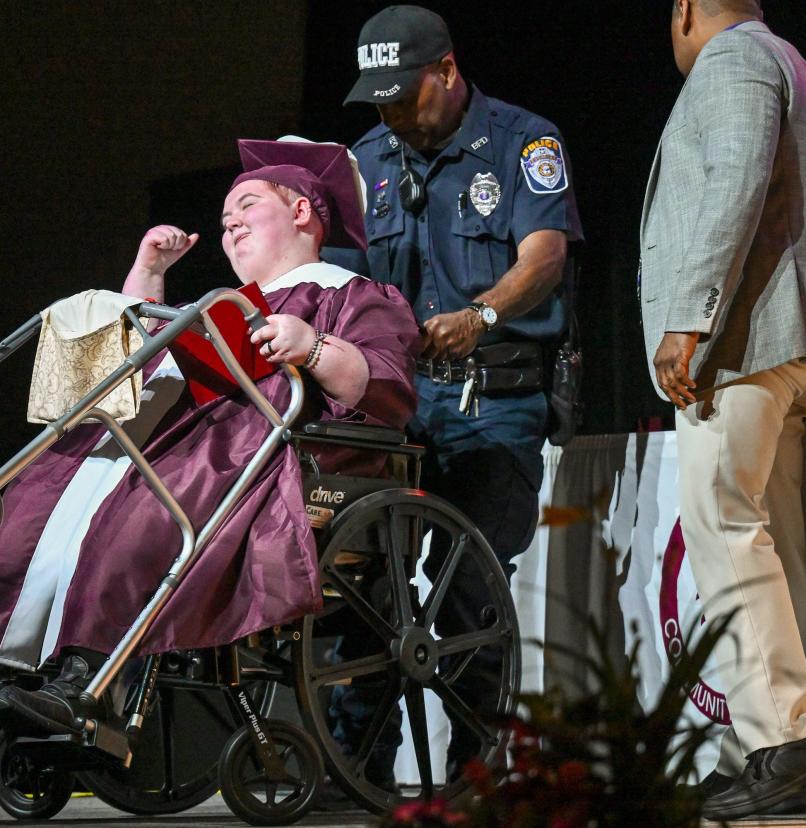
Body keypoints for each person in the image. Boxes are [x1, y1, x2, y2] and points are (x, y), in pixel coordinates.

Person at [0, 140, 420, 750]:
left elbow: (387, 388)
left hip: (247, 454)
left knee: (135, 517)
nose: (228, 224)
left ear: (304, 212)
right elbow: (128, 370)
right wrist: (149, 275)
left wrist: (311, 346)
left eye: (246, 207)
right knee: (31, 503)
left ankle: (86, 683)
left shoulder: (348, 294)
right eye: (224, 218)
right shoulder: (207, 306)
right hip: (151, 437)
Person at [330, 4, 582, 782]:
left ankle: (480, 772)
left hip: (492, 399)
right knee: (361, 578)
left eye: (404, 95)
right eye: (379, 99)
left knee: (465, 583)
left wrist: (483, 313)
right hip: (394, 409)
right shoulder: (368, 157)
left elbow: (546, 254)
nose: (392, 113)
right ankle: (355, 771)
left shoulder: (522, 143)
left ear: (446, 70)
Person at [640, 0, 806, 819]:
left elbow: (733, 186)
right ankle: (770, 743)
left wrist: (689, 317)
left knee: (724, 526)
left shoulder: (731, 63)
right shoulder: (791, 61)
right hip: (792, 343)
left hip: (742, 341)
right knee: (768, 534)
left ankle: (789, 733)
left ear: (685, 10)